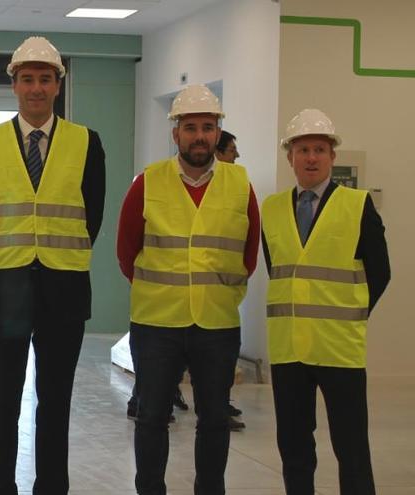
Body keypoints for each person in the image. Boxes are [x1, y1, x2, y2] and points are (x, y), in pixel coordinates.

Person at [0, 36, 106, 494]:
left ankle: (52, 487)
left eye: (45, 79)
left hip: (63, 289)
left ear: (58, 85)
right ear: (14, 85)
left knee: (56, 402)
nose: (36, 88)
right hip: (3, 289)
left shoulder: (87, 143)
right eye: (28, 79)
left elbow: (93, 214)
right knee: (1, 403)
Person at [116, 84, 260, 494]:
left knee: (214, 418)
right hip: (156, 322)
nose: (200, 136)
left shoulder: (239, 184)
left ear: (218, 133)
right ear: (175, 133)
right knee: (151, 416)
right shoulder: (147, 183)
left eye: (208, 127)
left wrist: (225, 291)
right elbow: (127, 250)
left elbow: (249, 252)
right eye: (191, 127)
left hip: (216, 321)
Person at [262, 108, 390, 495]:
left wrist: (350, 315)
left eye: (319, 149)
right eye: (303, 150)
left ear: (333, 156)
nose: (311, 158)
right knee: (295, 448)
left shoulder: (357, 205)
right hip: (289, 350)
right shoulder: (272, 209)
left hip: (338, 349)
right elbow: (279, 269)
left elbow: (380, 273)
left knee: (351, 449)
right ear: (290, 157)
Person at [214, 129, 247, 432]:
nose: (236, 154)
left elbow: (249, 251)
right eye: (232, 149)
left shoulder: (239, 187)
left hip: (220, 307)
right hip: (165, 306)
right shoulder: (159, 181)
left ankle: (219, 406)